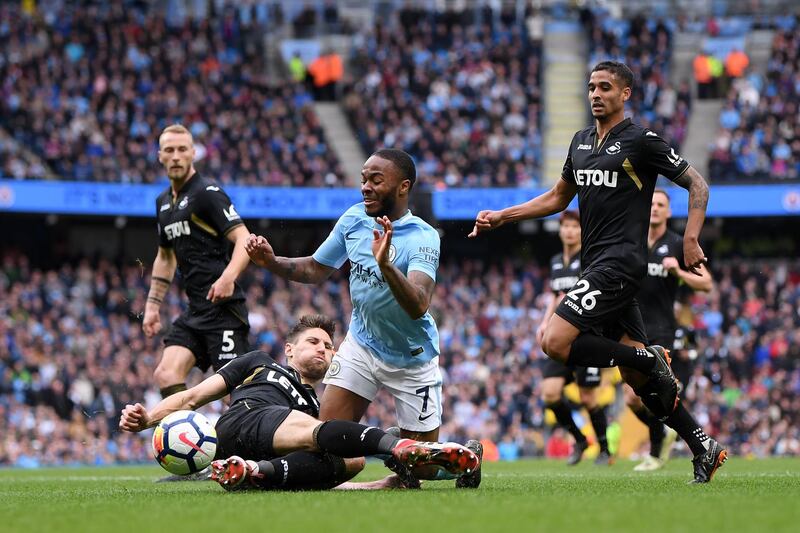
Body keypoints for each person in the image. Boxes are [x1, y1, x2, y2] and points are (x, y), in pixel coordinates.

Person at [469, 61, 727, 483]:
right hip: (597, 264)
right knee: (638, 381)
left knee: (554, 341)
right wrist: (503, 216)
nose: (595, 94)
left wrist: (691, 239)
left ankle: (646, 356)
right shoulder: (581, 142)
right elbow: (557, 197)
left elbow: (697, 184)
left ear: (625, 94)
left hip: (621, 263)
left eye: (605, 87)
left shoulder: (642, 141)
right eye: (591, 87)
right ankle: (703, 445)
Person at [246, 148, 482, 488]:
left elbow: (418, 304)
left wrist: (385, 264)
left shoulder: (423, 236)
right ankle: (389, 446)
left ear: (403, 188)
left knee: (422, 467)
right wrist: (271, 262)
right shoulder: (354, 219)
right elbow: (315, 268)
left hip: (411, 358)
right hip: (362, 345)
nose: (365, 187)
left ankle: (468, 457)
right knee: (325, 440)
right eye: (363, 180)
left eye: (376, 180)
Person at [119, 315, 479, 492]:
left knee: (342, 461)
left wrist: (376, 487)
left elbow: (317, 481)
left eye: (328, 346)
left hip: (257, 455)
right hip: (242, 421)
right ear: (290, 349)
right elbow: (193, 396)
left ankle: (252, 474)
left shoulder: (313, 405)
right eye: (314, 342)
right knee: (338, 445)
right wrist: (149, 418)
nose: (324, 349)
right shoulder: (260, 362)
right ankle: (400, 447)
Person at [144, 124, 251, 399]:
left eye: (182, 149)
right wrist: (153, 305)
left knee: (234, 394)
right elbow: (165, 256)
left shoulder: (207, 192)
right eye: (169, 150)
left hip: (223, 309)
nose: (176, 156)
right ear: (160, 156)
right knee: (166, 374)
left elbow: (244, 239)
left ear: (193, 153)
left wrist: (228, 277)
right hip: (196, 311)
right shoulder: (163, 203)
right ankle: (183, 440)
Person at [628, 189, 713, 471]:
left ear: (668, 211)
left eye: (660, 204)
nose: (654, 208)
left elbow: (707, 283)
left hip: (663, 330)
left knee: (655, 394)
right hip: (632, 328)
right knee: (633, 400)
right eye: (651, 203)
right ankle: (664, 434)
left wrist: (678, 272)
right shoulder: (633, 242)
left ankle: (657, 452)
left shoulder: (677, 244)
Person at [536, 210, 612, 466]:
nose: (569, 231)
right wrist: (545, 322)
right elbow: (555, 295)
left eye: (574, 227)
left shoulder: (589, 257)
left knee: (588, 397)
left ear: (582, 230)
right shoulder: (557, 261)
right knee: (550, 394)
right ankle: (579, 439)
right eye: (565, 226)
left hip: (585, 334)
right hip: (559, 336)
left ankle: (604, 450)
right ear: (560, 230)